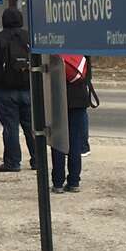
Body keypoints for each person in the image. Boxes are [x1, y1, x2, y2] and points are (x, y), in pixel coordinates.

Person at [0, 7, 35, 172]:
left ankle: (13, 162)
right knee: (31, 126)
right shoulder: (31, 38)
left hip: (4, 90)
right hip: (29, 89)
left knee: (10, 127)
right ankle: (37, 159)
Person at [51, 56, 93, 193]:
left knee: (57, 142)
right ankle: (74, 181)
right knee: (75, 142)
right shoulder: (80, 49)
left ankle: (57, 183)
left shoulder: (52, 49)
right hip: (79, 98)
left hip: (57, 98)